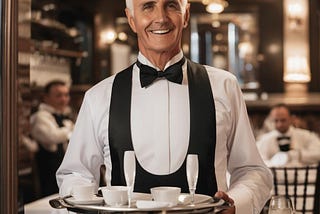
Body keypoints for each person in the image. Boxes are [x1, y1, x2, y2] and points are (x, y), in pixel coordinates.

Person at [56, 0, 272, 213]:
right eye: (148, 6)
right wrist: (88, 203)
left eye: (171, 5)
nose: (160, 18)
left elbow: (252, 170)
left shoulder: (225, 87)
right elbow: (75, 173)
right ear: (132, 19)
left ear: (186, 15)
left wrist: (236, 204)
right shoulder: (99, 96)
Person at [30, 80, 74, 197]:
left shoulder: (64, 118)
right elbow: (53, 136)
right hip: (48, 174)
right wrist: (71, 130)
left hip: (65, 172)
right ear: (46, 97)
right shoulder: (40, 117)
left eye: (66, 95)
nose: (64, 99)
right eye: (59, 95)